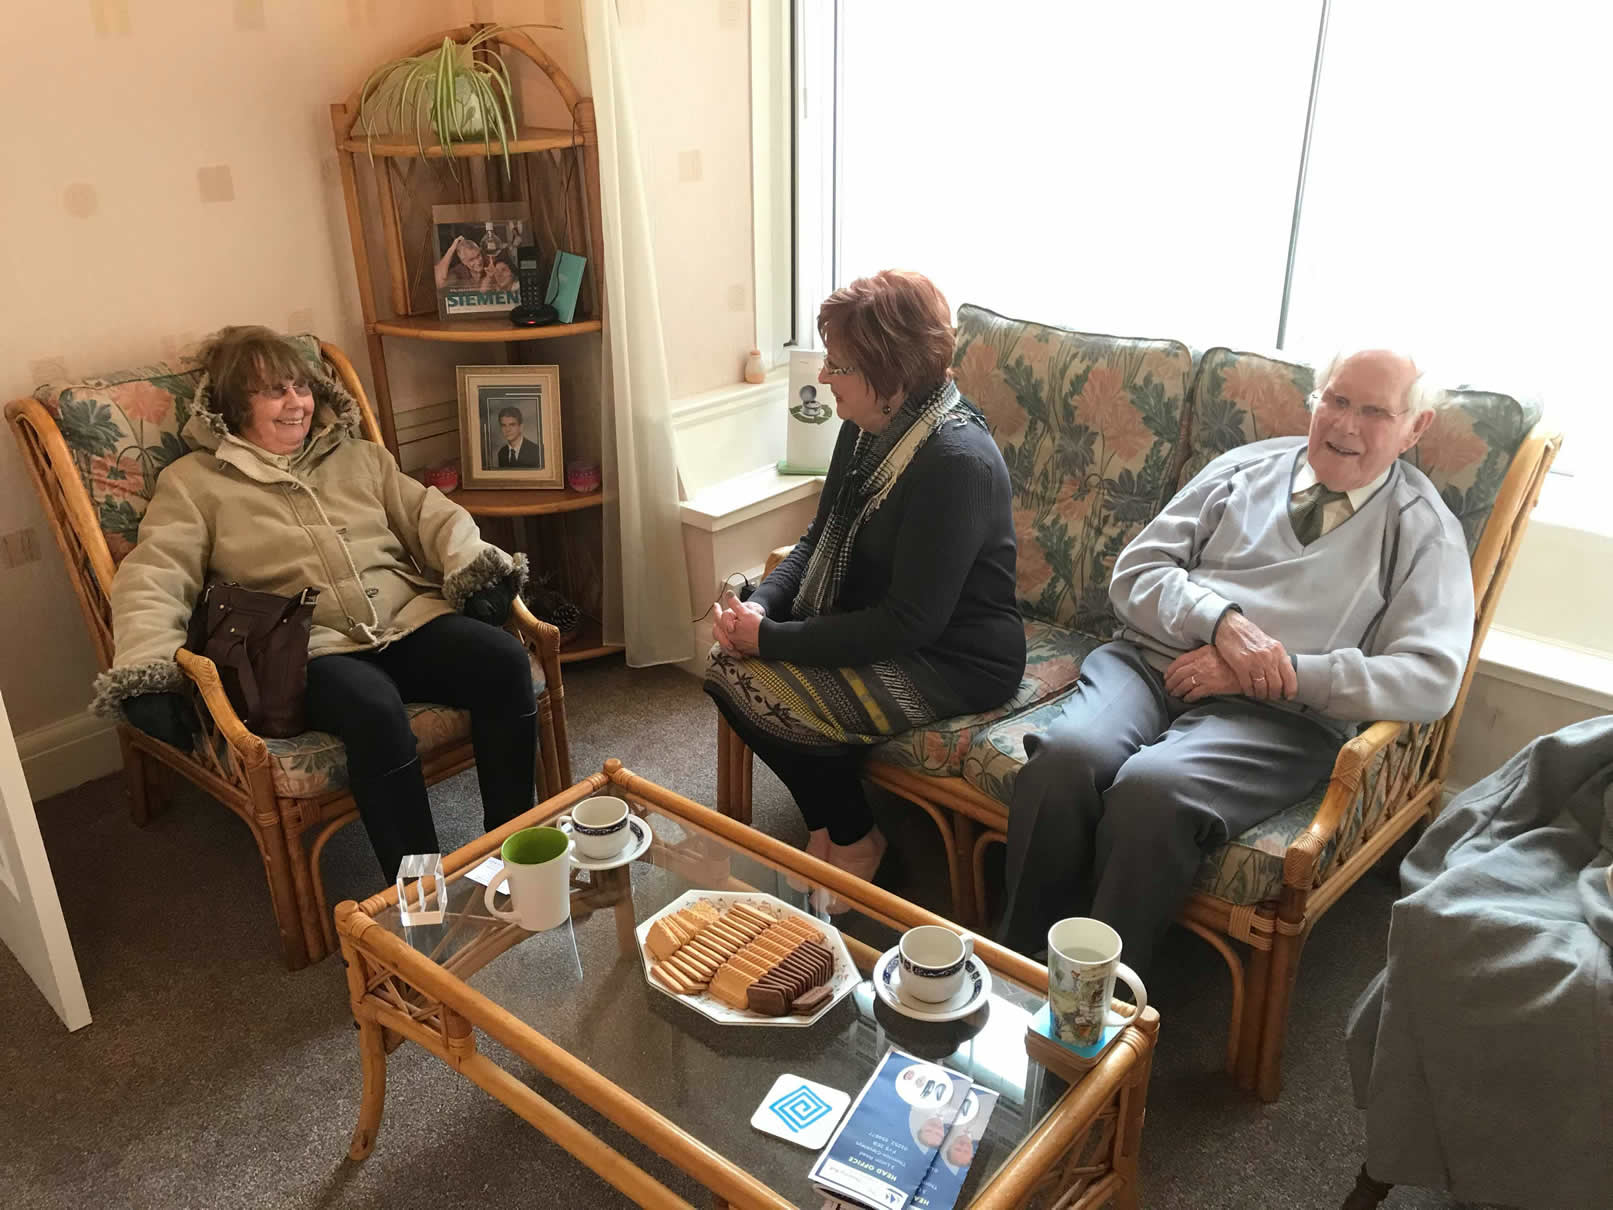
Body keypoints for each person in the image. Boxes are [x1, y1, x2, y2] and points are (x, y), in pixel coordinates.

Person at [996, 349, 1475, 975]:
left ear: (1415, 428)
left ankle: (1095, 1000)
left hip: (1280, 718)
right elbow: (1136, 572)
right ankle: (1016, 966)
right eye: (1335, 400)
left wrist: (1281, 671)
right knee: (1065, 760)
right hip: (1148, 665)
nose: (1345, 425)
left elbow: (1431, 678)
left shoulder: (1422, 530)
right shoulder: (1245, 468)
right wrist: (1224, 624)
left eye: (1374, 412)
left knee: (1152, 792)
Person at [93, 326, 539, 881]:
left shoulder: (358, 457)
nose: (296, 403)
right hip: (309, 653)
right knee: (374, 709)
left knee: (503, 660)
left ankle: (518, 852)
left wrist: (474, 566)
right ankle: (421, 895)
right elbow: (155, 575)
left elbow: (433, 514)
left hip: (405, 620)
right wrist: (148, 671)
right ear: (233, 405)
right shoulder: (192, 483)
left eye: (301, 387)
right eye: (273, 391)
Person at [704, 270, 1025, 894]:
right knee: (727, 664)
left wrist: (771, 640)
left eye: (839, 365)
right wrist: (760, 608)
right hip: (879, 626)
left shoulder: (957, 461)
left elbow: (911, 622)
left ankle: (854, 834)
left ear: (892, 373)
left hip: (955, 659)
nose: (824, 377)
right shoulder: (864, 426)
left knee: (748, 678)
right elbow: (817, 538)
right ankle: (834, 823)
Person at [434, 233, 516, 293]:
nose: (478, 262)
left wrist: (491, 277)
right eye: (471, 260)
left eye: (478, 255)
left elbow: (509, 283)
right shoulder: (459, 271)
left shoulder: (491, 262)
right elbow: (439, 282)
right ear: (463, 261)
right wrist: (452, 248)